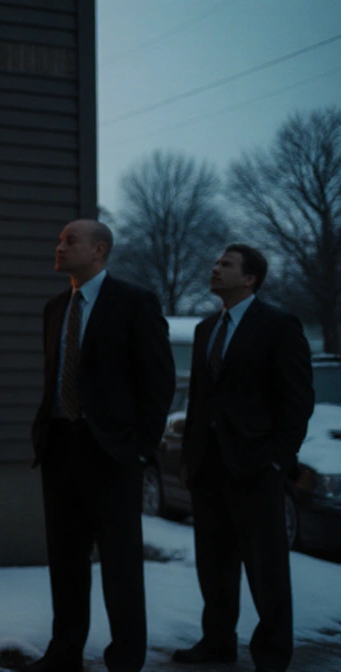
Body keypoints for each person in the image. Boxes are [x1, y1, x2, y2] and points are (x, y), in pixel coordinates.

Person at [27, 219, 175, 672]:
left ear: (99, 251)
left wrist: (139, 449)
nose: (59, 246)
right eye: (59, 238)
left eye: (69, 240)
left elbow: (159, 381)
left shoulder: (133, 303)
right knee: (66, 561)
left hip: (112, 453)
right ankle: (64, 651)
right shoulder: (55, 308)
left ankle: (125, 659)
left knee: (121, 565)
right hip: (60, 448)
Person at [174, 244, 312, 672]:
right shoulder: (205, 329)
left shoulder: (278, 325)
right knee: (214, 565)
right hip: (207, 466)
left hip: (255, 467)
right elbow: (199, 399)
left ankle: (271, 652)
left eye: (225, 265)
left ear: (250, 278)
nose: (215, 269)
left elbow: (297, 401)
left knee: (266, 567)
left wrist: (276, 462)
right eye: (215, 263)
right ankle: (217, 642)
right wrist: (189, 454)